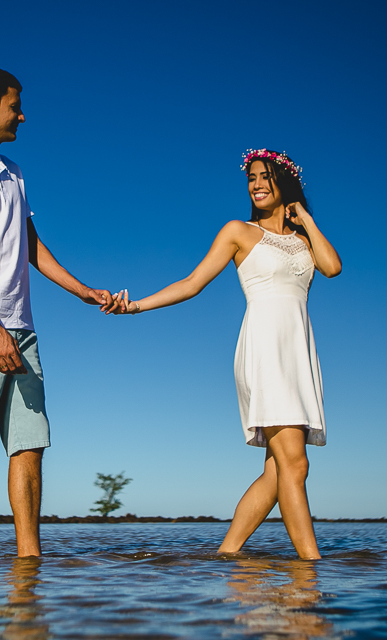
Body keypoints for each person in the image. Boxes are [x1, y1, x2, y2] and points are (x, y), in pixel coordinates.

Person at [0, 66, 119, 559]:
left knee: (29, 447)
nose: (22, 114)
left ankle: (29, 562)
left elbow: (31, 247)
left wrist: (82, 290)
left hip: (22, 329)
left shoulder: (14, 174)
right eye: (15, 104)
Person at [112, 149, 341, 559]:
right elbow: (192, 281)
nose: (256, 184)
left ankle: (227, 554)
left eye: (265, 177)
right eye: (251, 177)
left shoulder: (303, 239)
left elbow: (332, 267)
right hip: (265, 348)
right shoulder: (239, 231)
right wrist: (135, 306)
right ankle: (311, 568)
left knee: (278, 471)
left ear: (283, 184)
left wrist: (304, 217)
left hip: (298, 352)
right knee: (296, 464)